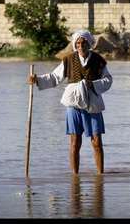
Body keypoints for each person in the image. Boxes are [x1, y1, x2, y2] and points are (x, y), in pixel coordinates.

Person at [28, 30, 113, 175]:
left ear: (89, 43)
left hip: (92, 104)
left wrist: (93, 84)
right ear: (75, 45)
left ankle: (100, 176)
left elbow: (108, 80)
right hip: (73, 104)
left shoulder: (98, 60)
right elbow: (55, 77)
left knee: (97, 142)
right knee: (75, 142)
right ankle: (75, 176)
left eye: (84, 42)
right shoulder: (68, 60)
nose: (81, 46)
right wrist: (37, 79)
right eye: (78, 43)